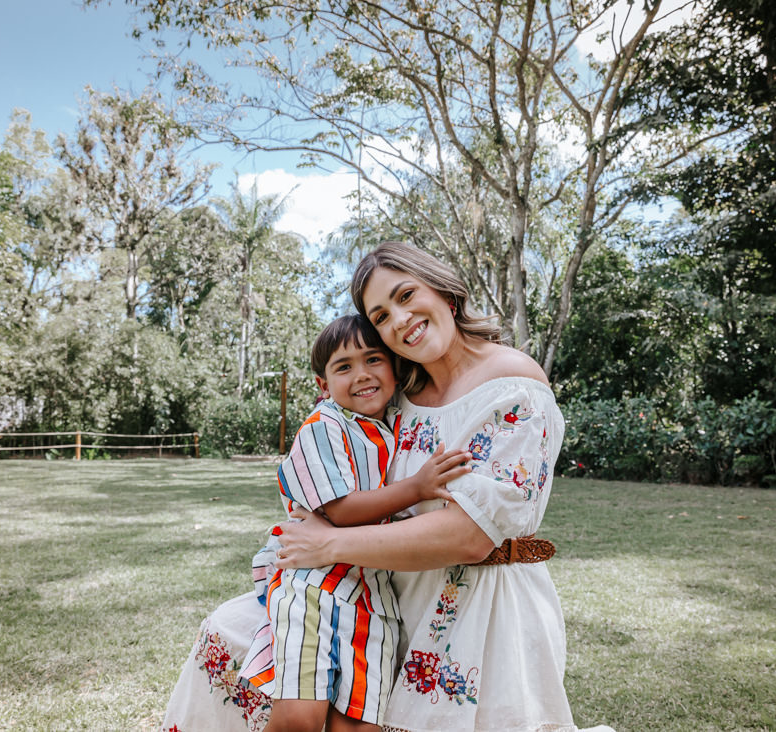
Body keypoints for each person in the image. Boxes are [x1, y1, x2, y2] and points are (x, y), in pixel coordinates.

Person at [273, 241, 615, 732]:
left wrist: (328, 542)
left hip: (482, 618)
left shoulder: (514, 383)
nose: (400, 319)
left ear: (445, 292)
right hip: (390, 605)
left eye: (407, 294)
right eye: (382, 316)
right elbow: (342, 467)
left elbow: (469, 536)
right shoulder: (397, 397)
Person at [159, 314, 471, 732]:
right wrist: (417, 487)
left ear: (394, 370)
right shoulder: (323, 427)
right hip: (314, 588)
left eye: (373, 360)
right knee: (299, 718)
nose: (361, 374)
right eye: (344, 367)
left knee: (360, 725)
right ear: (324, 386)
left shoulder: (397, 424)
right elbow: (339, 510)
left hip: (375, 596)